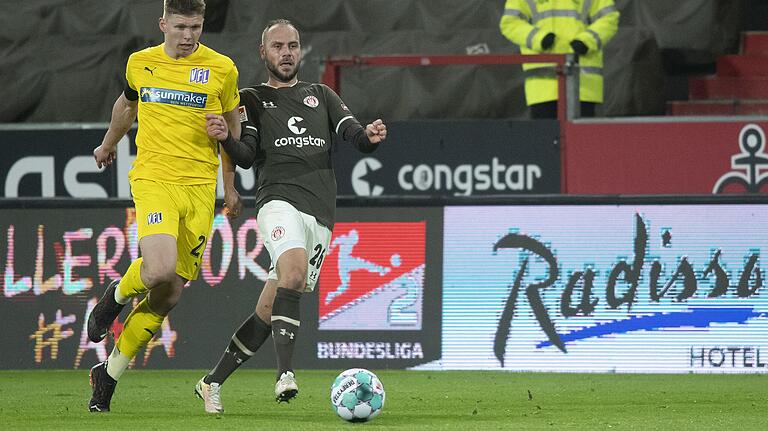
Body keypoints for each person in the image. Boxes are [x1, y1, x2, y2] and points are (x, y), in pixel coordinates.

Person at [193, 19, 387, 414]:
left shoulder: (322, 94)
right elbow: (245, 157)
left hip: (320, 213)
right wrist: (224, 138)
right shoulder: (250, 98)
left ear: (301, 51)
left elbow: (355, 137)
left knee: (271, 306)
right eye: (278, 46)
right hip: (277, 200)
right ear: (262, 53)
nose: (286, 52)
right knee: (294, 273)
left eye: (293, 45)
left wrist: (370, 136)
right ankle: (285, 374)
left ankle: (211, 382)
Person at [87, 0, 242, 412]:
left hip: (198, 188)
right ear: (163, 24)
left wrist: (229, 184)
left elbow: (233, 128)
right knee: (158, 269)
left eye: (195, 27)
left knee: (169, 294)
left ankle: (109, 372)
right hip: (154, 178)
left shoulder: (222, 69)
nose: (188, 35)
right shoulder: (140, 63)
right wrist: (108, 144)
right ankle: (115, 297)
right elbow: (127, 104)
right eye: (180, 27)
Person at [499, 0, 619, 119]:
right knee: (547, 136)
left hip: (583, 86)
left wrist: (587, 41)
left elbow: (609, 18)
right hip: (543, 87)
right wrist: (539, 38)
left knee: (580, 137)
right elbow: (510, 22)